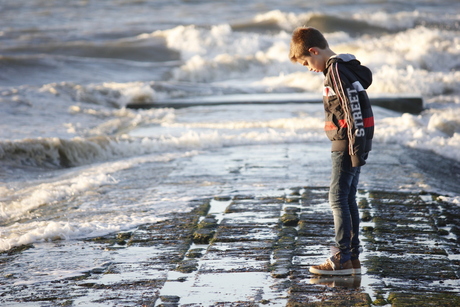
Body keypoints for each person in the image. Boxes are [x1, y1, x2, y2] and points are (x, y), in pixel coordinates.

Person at [289, 27, 374, 275]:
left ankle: (340, 257)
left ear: (314, 51)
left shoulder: (335, 70)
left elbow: (351, 109)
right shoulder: (344, 67)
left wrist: (355, 146)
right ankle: (351, 257)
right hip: (353, 141)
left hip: (347, 143)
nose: (309, 68)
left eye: (307, 62)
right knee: (347, 198)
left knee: (337, 198)